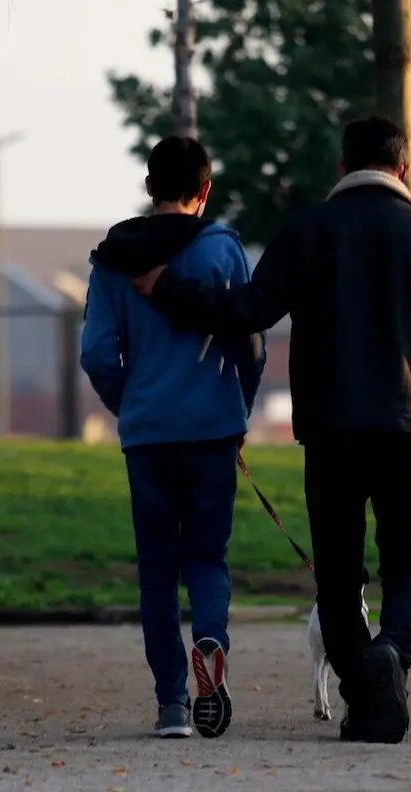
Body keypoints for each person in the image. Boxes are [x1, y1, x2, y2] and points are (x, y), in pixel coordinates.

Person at [122, 117, 411, 745]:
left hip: (330, 433)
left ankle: (365, 695)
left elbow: (246, 312)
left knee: (338, 577)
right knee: (408, 567)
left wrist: (169, 290)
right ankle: (392, 655)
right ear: (403, 170)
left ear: (343, 168)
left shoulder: (307, 233)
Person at [80, 135, 266, 740]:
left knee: (157, 569)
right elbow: (250, 339)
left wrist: (128, 403)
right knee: (208, 556)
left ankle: (172, 707)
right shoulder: (222, 249)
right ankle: (210, 641)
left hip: (148, 435)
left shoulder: (113, 258)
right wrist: (239, 405)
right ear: (205, 191)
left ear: (149, 186)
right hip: (214, 427)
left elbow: (95, 354)